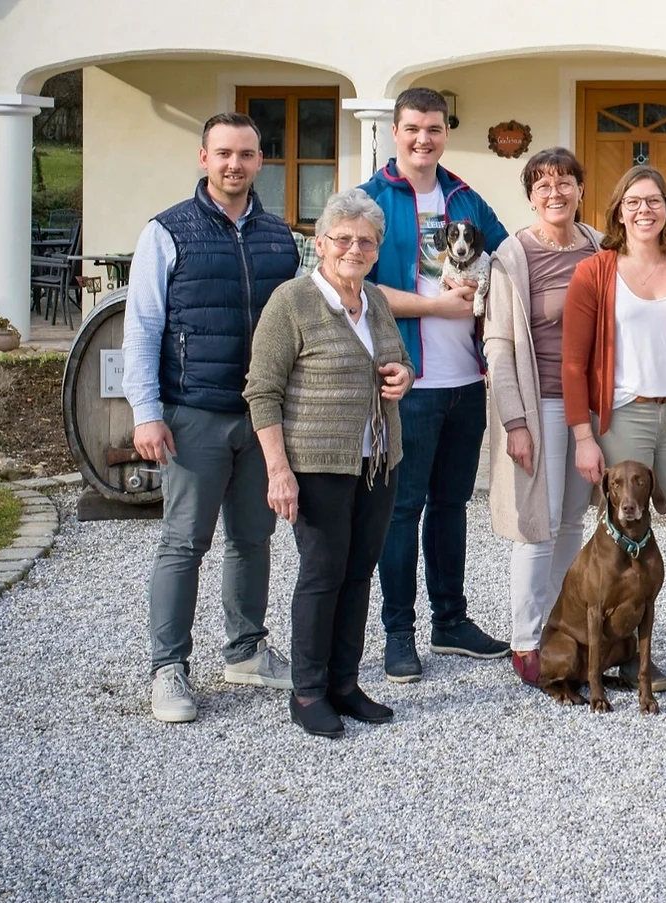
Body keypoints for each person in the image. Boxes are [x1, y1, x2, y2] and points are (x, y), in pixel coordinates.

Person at [123, 111, 299, 724]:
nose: (235, 165)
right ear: (204, 157)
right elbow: (142, 327)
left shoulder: (281, 239)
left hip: (262, 419)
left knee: (253, 538)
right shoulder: (167, 232)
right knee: (183, 542)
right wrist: (147, 413)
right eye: (223, 153)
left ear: (260, 162)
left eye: (247, 154)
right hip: (193, 411)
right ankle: (168, 668)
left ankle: (246, 650)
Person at [243, 189, 414, 738]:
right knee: (322, 574)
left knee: (359, 573)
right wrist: (278, 470)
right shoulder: (291, 302)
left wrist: (403, 377)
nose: (355, 249)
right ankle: (309, 690)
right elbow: (261, 392)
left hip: (376, 460)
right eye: (343, 238)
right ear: (320, 244)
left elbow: (399, 360)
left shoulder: (377, 302)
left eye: (366, 241)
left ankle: (344, 683)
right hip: (316, 463)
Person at [356, 87, 511, 683]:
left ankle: (451, 622)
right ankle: (399, 634)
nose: (424, 139)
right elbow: (358, 288)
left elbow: (507, 257)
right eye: (414, 128)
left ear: (446, 133)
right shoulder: (370, 200)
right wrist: (438, 307)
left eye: (435, 129)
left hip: (467, 379)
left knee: (451, 506)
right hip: (407, 383)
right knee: (402, 510)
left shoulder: (465, 196)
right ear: (395, 132)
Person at [563, 164, 666, 689]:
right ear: (617, 211)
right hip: (622, 416)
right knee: (623, 537)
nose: (644, 210)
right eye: (633, 202)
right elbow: (573, 361)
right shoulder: (596, 271)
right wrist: (584, 436)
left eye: (653, 200)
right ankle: (629, 652)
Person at [481, 147, 603, 687]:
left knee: (575, 518)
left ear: (580, 188)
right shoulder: (512, 256)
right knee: (539, 525)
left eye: (565, 183)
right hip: (542, 403)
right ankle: (526, 640)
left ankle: (561, 623)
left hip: (593, 402)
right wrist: (515, 422)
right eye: (543, 185)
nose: (555, 193)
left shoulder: (599, 246)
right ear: (530, 195)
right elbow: (499, 346)